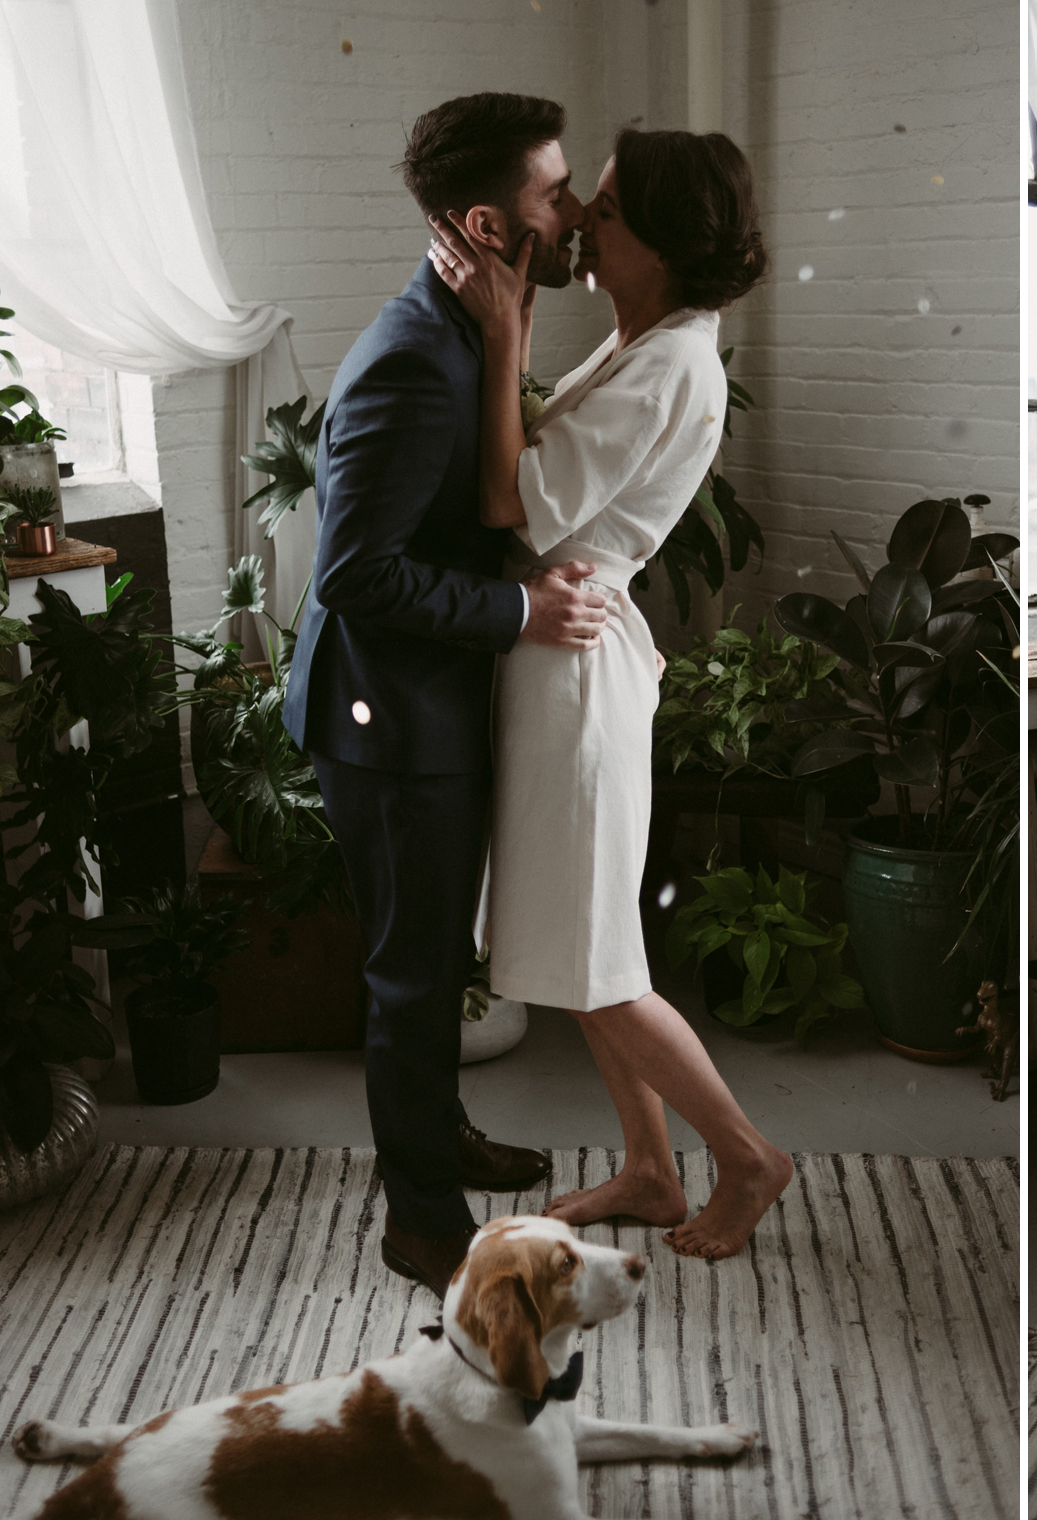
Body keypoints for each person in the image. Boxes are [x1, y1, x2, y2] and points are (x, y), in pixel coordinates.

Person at [427, 127, 793, 1261]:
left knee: (599, 960)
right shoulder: (642, 342)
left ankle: (747, 1157)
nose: (583, 216)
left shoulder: (674, 360)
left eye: (614, 208)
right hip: (554, 657)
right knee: (578, 944)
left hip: (573, 674)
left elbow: (513, 505)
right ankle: (647, 1167)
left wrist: (501, 335)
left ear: (672, 244)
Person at [282, 93, 612, 1298]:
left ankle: (438, 1139)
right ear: (487, 219)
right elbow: (357, 574)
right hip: (386, 724)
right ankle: (423, 1219)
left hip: (428, 708)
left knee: (433, 959)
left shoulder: (479, 319)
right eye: (553, 191)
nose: (573, 211)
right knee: (411, 974)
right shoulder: (418, 357)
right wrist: (523, 612)